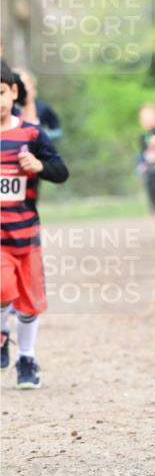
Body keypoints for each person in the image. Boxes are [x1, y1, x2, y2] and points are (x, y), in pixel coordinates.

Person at [0, 62, 69, 388]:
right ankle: (2, 334)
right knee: (1, 288)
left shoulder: (32, 134)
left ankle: (26, 359)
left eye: (0, 92)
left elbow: (61, 172)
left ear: (13, 92)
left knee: (28, 304)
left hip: (25, 233)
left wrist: (39, 165)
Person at [14, 68, 63, 140]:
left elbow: (58, 132)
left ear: (32, 84)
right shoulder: (12, 110)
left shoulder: (44, 108)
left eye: (25, 84)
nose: (24, 88)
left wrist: (43, 135)